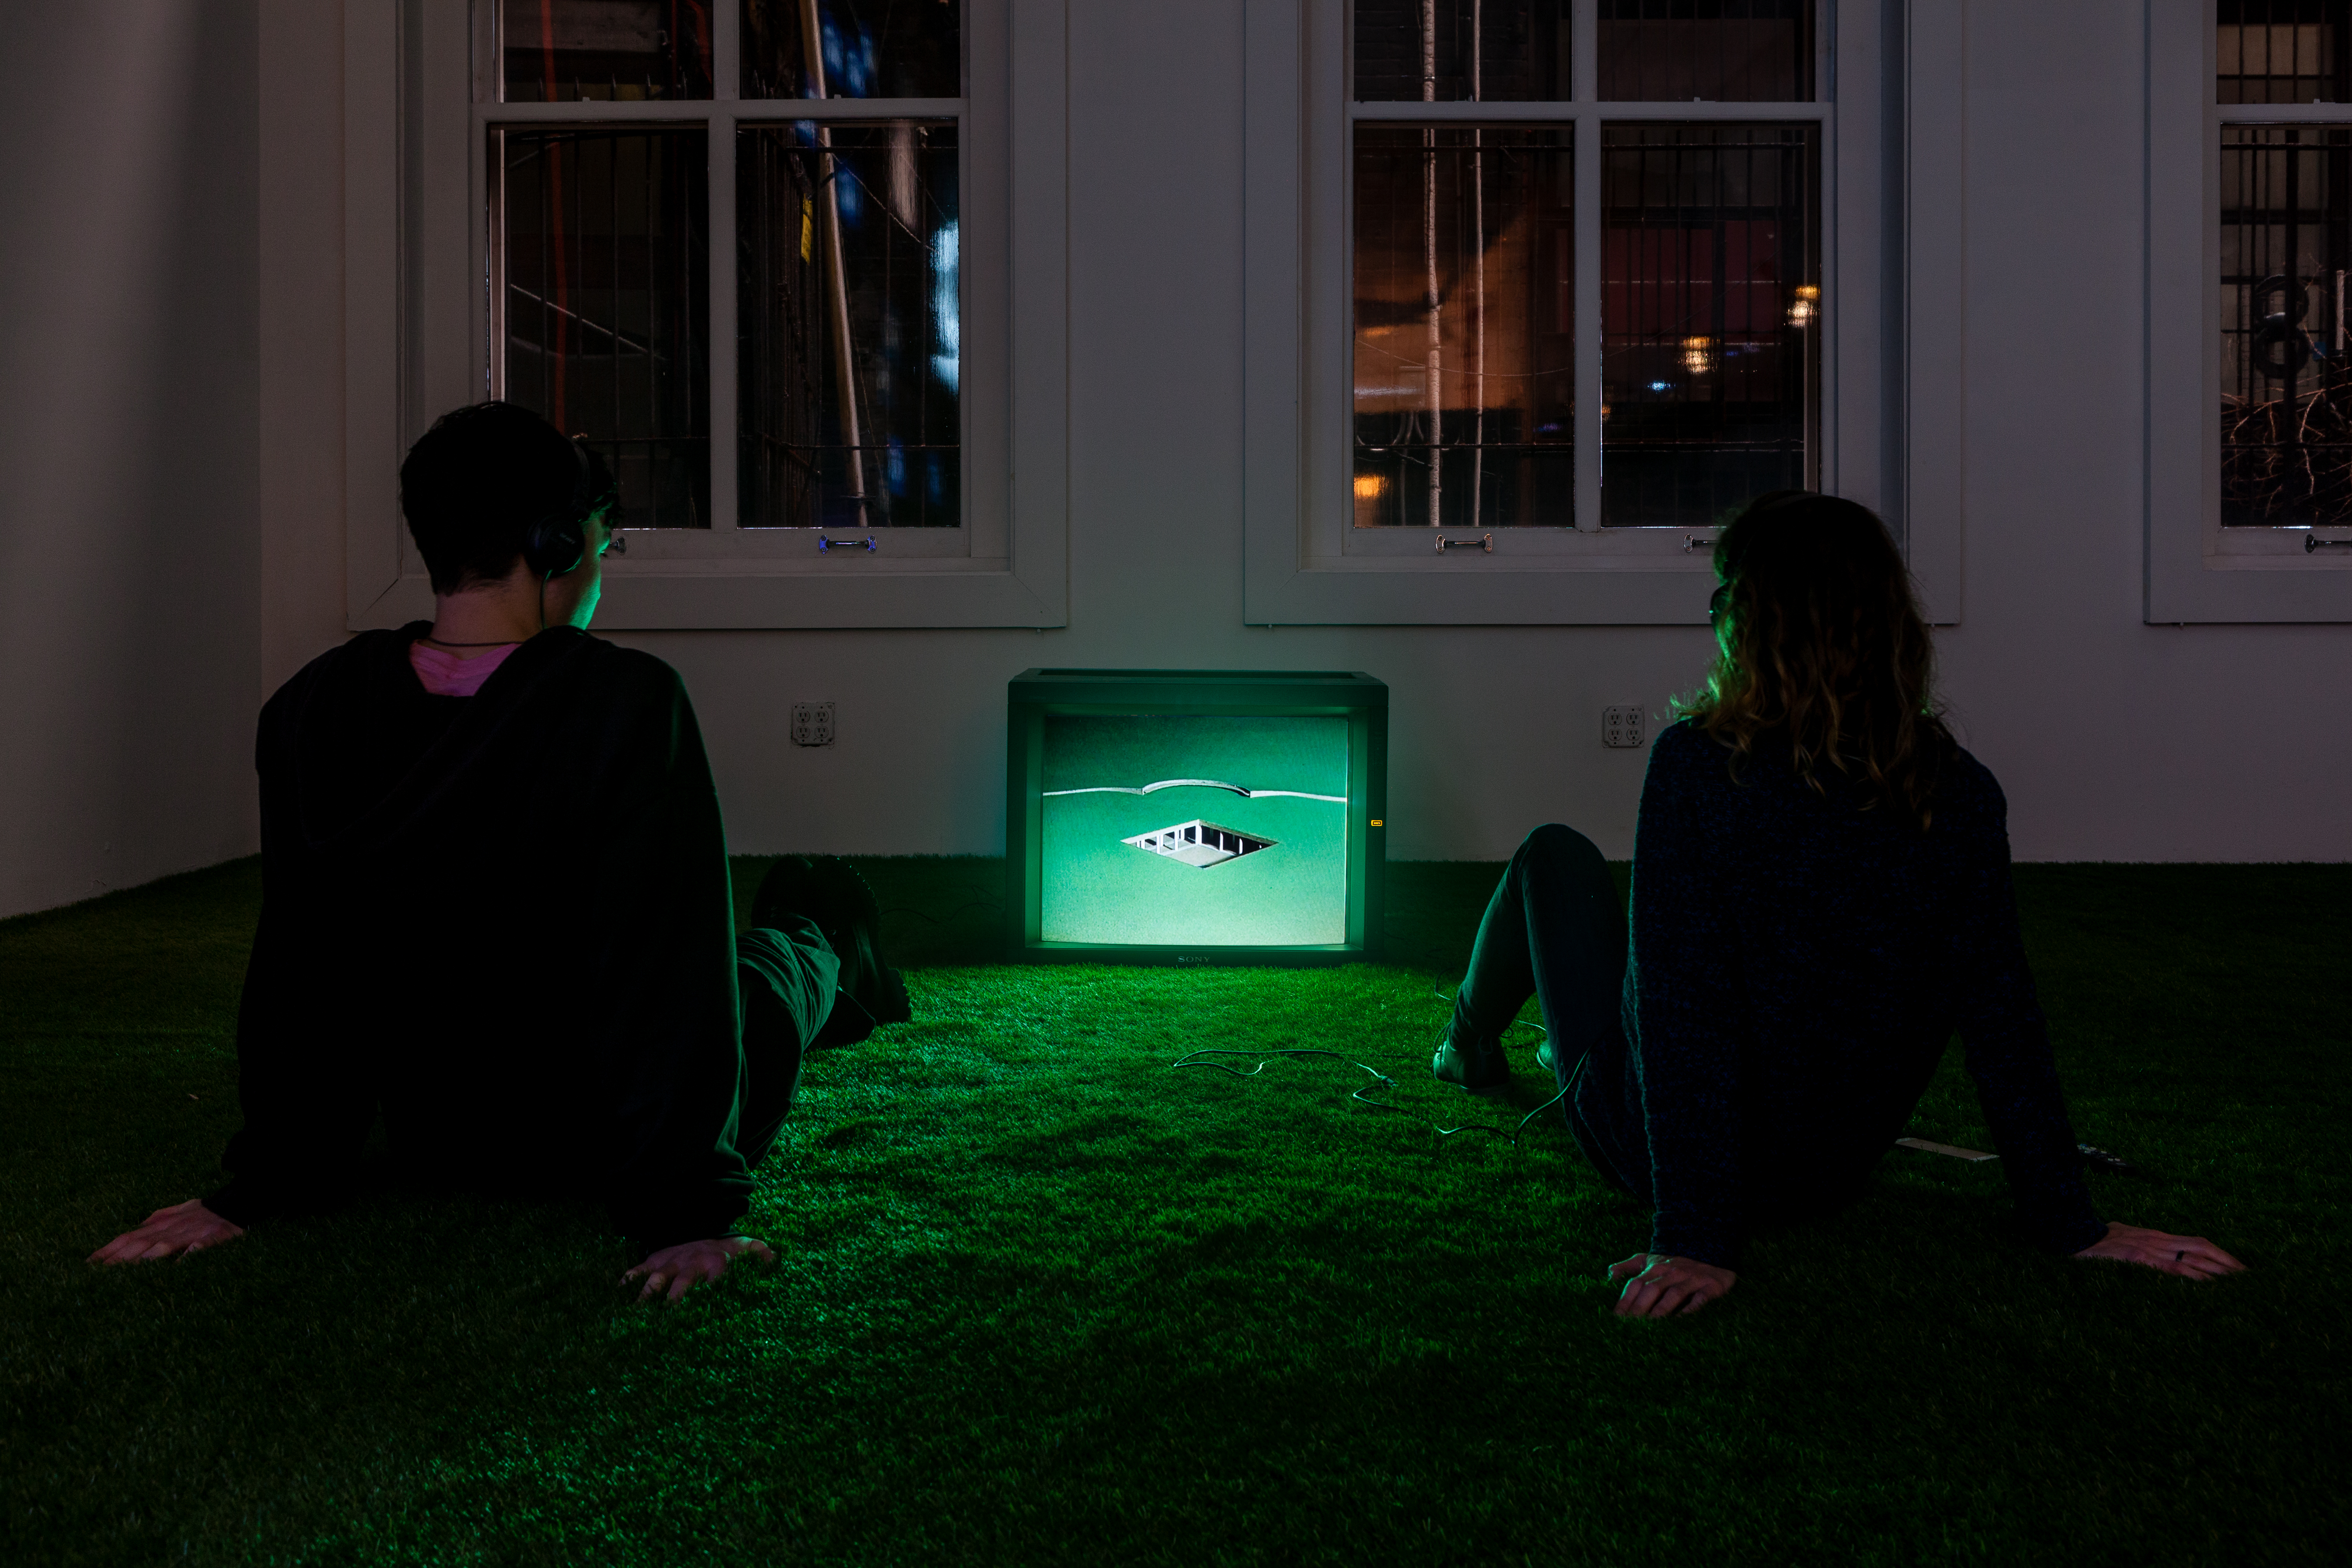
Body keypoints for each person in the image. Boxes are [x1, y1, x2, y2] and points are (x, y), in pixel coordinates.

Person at [89, 401, 908, 1299]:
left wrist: (266, 1180)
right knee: (759, 977)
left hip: (442, 1139)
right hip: (602, 1140)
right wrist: (686, 1214)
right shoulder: (624, 703)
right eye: (601, 544)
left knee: (739, 971)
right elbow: (671, 968)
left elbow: (297, 967)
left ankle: (811, 931)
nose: (599, 571)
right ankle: (821, 927)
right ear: (558, 542)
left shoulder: (310, 706)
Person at [1431, 490, 2246, 1320]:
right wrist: (2070, 1222)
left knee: (1552, 855)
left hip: (1647, 1149)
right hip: (1826, 1175)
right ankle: (1501, 1046)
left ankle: (1465, 1045)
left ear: (1752, 622)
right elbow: (2002, 1018)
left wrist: (1695, 1233)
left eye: (1724, 598)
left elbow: (1682, 1013)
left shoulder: (1697, 768)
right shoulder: (1959, 793)